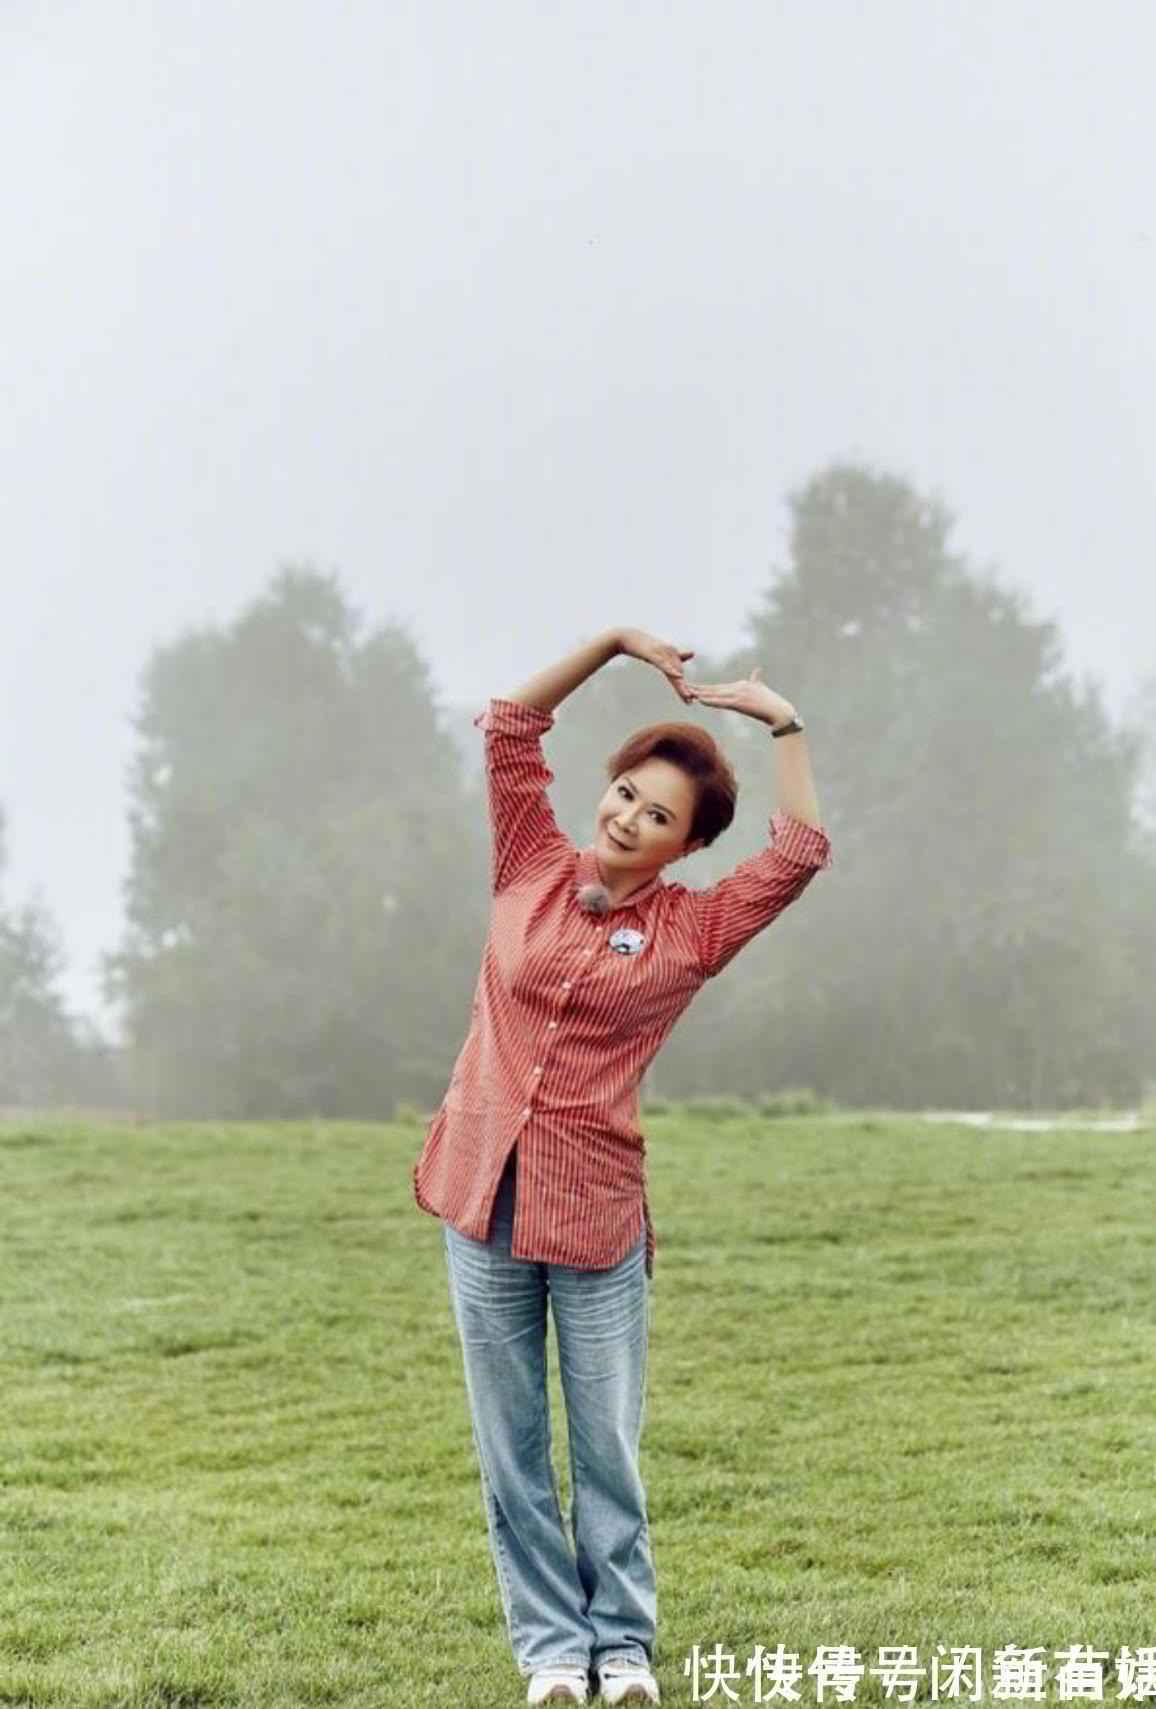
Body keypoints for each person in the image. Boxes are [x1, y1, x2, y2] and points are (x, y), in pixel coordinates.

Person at [411, 625, 831, 1706]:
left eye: (660, 816)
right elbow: (509, 727)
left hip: (592, 1212)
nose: (630, 820)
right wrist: (612, 643)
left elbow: (795, 853)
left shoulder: (692, 930)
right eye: (628, 794)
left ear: (686, 845)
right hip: (480, 1197)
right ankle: (553, 1651)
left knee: (604, 1445)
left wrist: (781, 722)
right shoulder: (530, 864)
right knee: (512, 1445)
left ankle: (623, 1647)